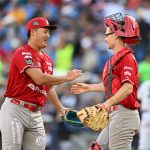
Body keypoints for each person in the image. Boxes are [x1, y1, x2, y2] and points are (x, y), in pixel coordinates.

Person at [0, 17, 82, 150]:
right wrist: (66, 78)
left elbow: (47, 87)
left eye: (49, 32)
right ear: (33, 32)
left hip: (36, 113)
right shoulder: (23, 52)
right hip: (16, 109)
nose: (48, 35)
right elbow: (39, 79)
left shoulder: (48, 59)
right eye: (45, 31)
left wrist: (61, 109)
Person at [71, 12, 141, 150]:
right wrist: (89, 88)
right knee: (96, 148)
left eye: (107, 34)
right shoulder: (114, 59)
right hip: (116, 113)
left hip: (124, 114)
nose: (105, 39)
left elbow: (127, 88)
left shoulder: (127, 57)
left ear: (116, 35)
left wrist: (106, 104)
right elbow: (113, 86)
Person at [138, 80, 150, 150]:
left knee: (144, 144)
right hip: (146, 113)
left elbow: (138, 98)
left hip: (146, 114)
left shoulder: (146, 83)